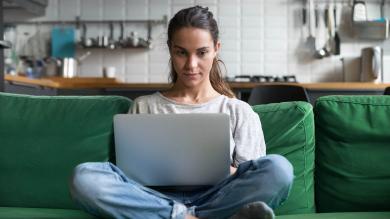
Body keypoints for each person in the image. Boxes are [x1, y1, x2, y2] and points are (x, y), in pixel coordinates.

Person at [69, 6, 294, 219]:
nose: (191, 64)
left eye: (202, 52)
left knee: (279, 169)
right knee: (84, 177)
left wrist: (220, 169)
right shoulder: (144, 106)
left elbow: (251, 176)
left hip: (218, 196)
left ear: (216, 49)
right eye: (181, 53)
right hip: (154, 198)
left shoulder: (238, 111)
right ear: (170, 49)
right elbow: (129, 177)